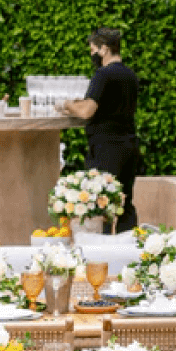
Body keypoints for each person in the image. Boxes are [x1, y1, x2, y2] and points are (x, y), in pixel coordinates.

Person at [62, 27, 141, 232]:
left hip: (106, 146)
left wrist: (68, 105)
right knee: (125, 203)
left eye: (93, 49)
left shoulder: (103, 74)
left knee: (102, 204)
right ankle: (130, 252)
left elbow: (87, 110)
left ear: (104, 49)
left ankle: (102, 257)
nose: (92, 54)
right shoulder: (130, 75)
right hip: (129, 145)